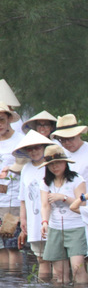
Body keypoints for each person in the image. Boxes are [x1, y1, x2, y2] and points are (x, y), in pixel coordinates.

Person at [39, 144, 88, 284]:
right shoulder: (46, 183)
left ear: (65, 163)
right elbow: (45, 205)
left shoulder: (77, 179)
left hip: (76, 226)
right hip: (55, 227)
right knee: (59, 272)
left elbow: (83, 204)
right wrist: (44, 222)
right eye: (51, 164)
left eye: (58, 162)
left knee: (77, 267)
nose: (55, 167)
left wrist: (64, 197)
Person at [14, 130, 51, 278]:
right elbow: (22, 198)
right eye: (30, 148)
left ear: (43, 147)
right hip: (33, 219)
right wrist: (23, 220)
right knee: (41, 258)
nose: (34, 151)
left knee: (56, 258)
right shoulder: (26, 168)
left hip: (49, 218)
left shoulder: (51, 166)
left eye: (37, 147)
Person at [0, 102, 25, 268]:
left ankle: (15, 287)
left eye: (1, 120)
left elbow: (26, 168)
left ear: (9, 119)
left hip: (12, 202)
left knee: (12, 246)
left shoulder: (20, 141)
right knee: (1, 248)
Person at [51, 114, 88, 186]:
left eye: (71, 138)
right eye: (62, 140)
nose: (67, 143)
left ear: (79, 134)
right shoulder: (61, 153)